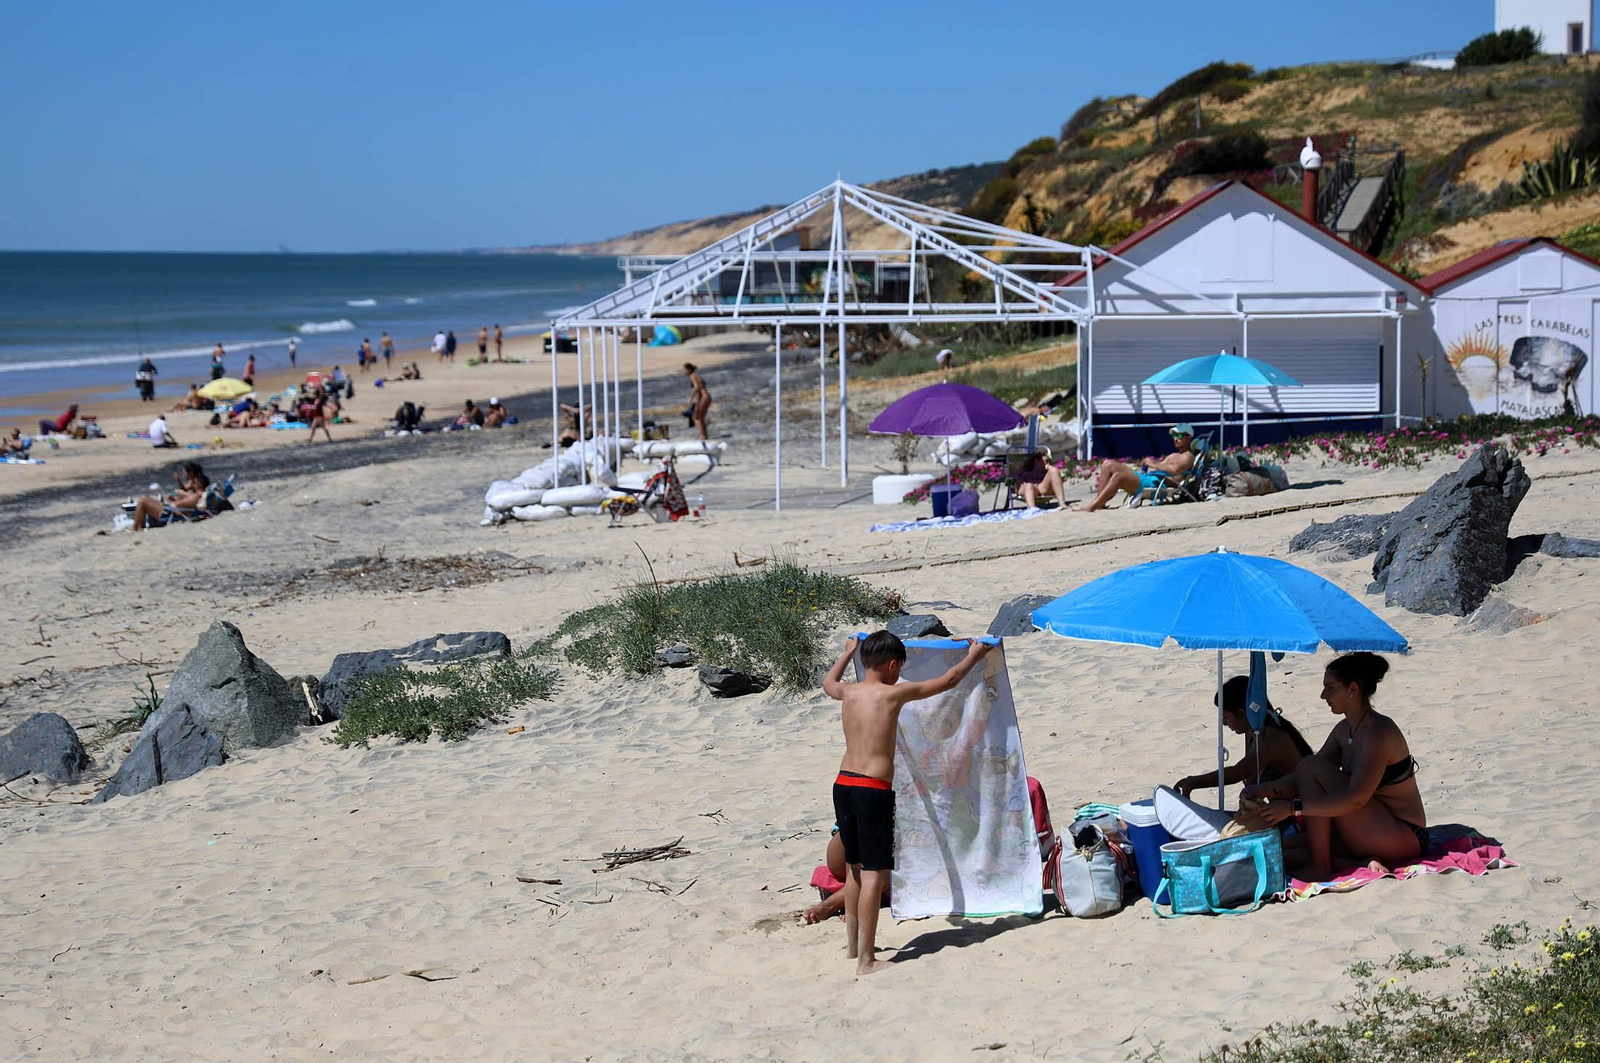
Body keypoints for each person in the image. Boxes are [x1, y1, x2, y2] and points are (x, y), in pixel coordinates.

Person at [820, 630, 992, 976]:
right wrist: (974, 655)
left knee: (853, 867)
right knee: (873, 874)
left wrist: (847, 652)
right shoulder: (893, 694)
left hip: (843, 784)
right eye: (899, 669)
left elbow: (828, 682)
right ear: (893, 665)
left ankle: (853, 947)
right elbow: (949, 680)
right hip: (872, 789)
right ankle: (867, 962)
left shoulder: (849, 692)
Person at [1245, 653, 1426, 882]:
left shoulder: (1379, 733)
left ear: (1353, 689)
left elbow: (1355, 799)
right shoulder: (1345, 730)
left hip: (1404, 833)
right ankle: (1359, 863)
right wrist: (1263, 790)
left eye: (1330, 688)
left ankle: (1321, 867)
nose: (1323, 695)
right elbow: (1303, 776)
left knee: (1311, 766)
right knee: (1284, 848)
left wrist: (1293, 808)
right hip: (1372, 825)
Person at [1175, 676, 1314, 799]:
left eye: (1225, 717)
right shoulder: (1253, 732)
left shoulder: (1271, 739)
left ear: (1242, 714)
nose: (1223, 723)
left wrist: (1194, 782)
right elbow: (1248, 777)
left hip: (1303, 810)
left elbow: (1237, 773)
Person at [1078, 423, 1198, 512]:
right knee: (1108, 464)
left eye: (1180, 435)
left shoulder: (1188, 457)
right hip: (1149, 478)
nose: (1176, 439)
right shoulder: (1174, 455)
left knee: (1118, 477)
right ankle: (1099, 502)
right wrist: (1151, 464)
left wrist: (1154, 464)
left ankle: (1093, 506)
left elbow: (1174, 470)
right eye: (1174, 436)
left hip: (1157, 484)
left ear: (1188, 437)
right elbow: (1162, 467)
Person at [131, 461, 220, 530]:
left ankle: (135, 528)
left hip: (168, 514)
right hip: (174, 511)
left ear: (198, 484)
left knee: (142, 501)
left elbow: (175, 507)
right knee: (145, 500)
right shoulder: (200, 495)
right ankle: (139, 527)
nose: (194, 485)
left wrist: (176, 499)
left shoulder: (195, 496)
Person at [683, 362, 712, 441]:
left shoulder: (692, 376)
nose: (684, 372)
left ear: (689, 369)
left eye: (684, 370)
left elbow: (697, 387)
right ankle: (704, 435)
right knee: (700, 417)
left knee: (696, 417)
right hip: (707, 397)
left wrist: (691, 398)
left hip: (704, 397)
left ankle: (702, 436)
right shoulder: (697, 376)